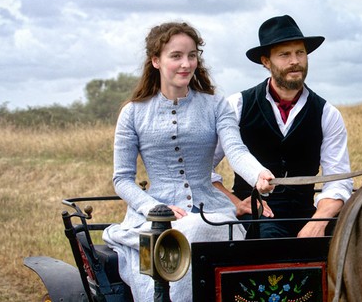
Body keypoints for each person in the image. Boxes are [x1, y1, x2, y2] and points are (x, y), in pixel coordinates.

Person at [103, 21, 274, 302]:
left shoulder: (216, 105)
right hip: (153, 219)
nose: (186, 64)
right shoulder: (133, 113)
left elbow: (236, 150)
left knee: (196, 228)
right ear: (156, 61)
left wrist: (258, 175)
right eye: (176, 56)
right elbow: (122, 179)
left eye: (192, 55)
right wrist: (152, 207)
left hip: (212, 214)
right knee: (163, 252)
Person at [213, 14, 353, 238]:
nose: (295, 61)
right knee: (270, 237)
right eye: (284, 55)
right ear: (266, 62)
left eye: (300, 53)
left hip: (307, 214)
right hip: (255, 218)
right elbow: (202, 170)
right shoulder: (237, 106)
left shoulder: (327, 114)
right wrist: (236, 204)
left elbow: (339, 179)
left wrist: (318, 222)